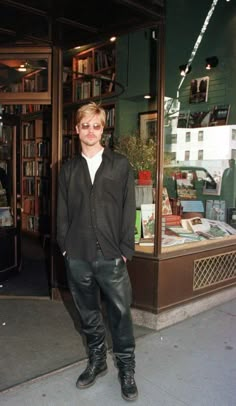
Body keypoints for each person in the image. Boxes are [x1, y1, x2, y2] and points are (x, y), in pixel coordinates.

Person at [57, 102, 138, 401]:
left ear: (103, 129)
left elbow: (129, 209)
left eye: (97, 126)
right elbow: (62, 212)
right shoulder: (67, 169)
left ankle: (127, 368)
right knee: (88, 315)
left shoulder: (120, 164)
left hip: (112, 256)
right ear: (76, 129)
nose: (91, 131)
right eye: (85, 125)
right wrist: (64, 248)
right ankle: (97, 361)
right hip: (77, 257)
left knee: (120, 315)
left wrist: (126, 249)